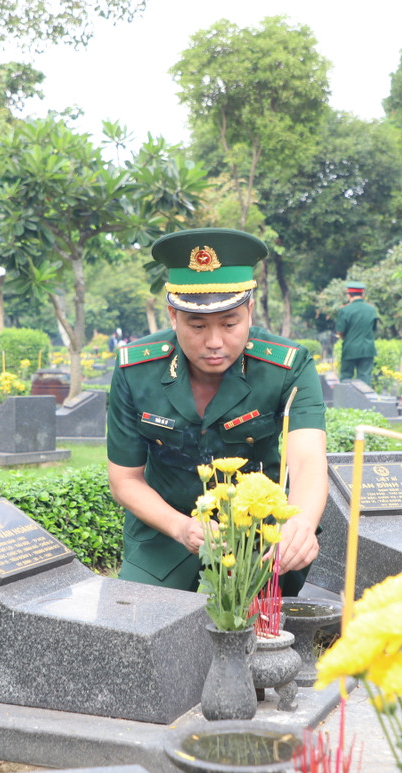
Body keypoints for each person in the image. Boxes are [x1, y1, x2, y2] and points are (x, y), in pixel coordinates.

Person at [106, 227, 328, 595]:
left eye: (230, 324)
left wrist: (301, 524)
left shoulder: (288, 367)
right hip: (165, 537)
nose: (214, 342)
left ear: (250, 311)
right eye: (196, 325)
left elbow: (307, 461)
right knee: (141, 630)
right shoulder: (136, 370)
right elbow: (124, 478)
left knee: (251, 637)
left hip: (259, 540)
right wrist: (181, 527)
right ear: (172, 316)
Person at [334, 280, 378, 382]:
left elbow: (340, 331)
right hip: (367, 348)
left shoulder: (344, 310)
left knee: (346, 376)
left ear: (349, 295)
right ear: (363, 294)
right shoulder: (372, 309)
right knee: (365, 377)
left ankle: (345, 398)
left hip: (350, 349)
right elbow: (374, 329)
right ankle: (364, 398)